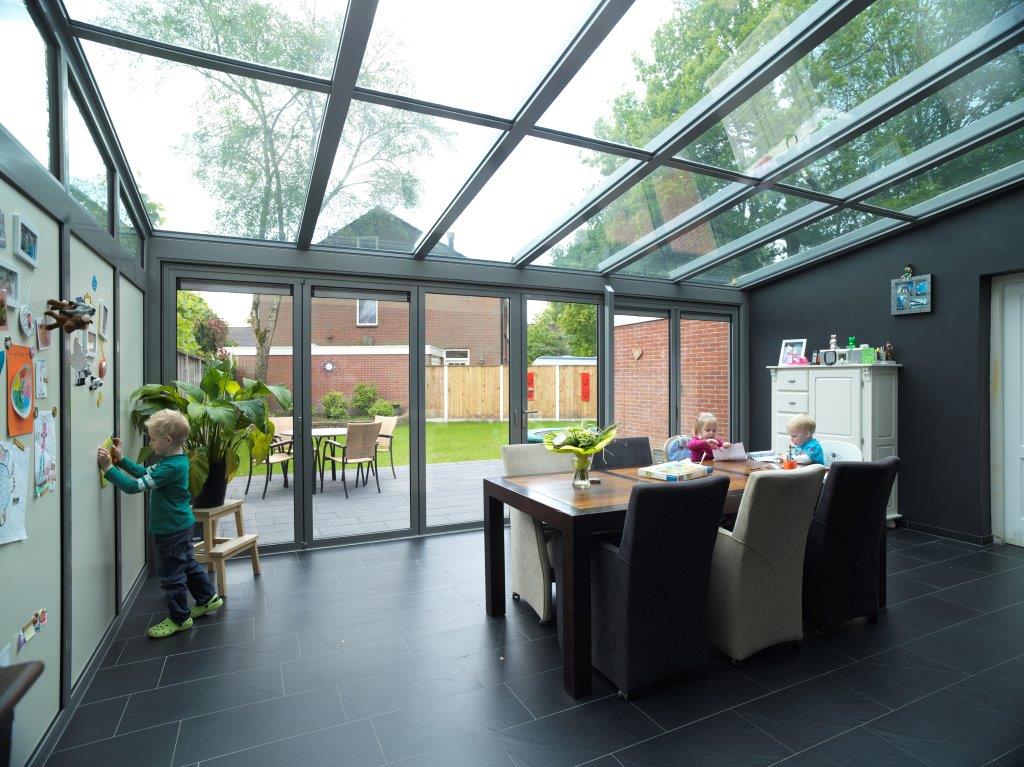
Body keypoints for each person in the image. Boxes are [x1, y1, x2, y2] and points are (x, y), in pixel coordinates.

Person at [98, 409, 222, 639]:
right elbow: (145, 473)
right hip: (181, 524)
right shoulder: (174, 461)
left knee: (172, 575)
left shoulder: (170, 467)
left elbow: (133, 487)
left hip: (170, 530)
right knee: (187, 564)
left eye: (153, 439)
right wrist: (121, 460)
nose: (151, 443)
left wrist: (108, 468)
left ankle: (180, 618)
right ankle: (207, 598)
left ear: (167, 440)